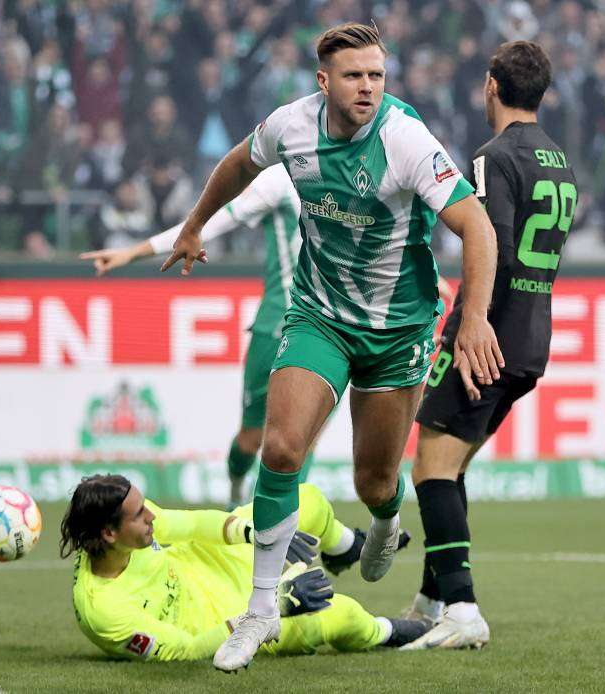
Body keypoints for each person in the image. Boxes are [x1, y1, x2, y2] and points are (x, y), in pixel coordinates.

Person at [158, 22, 503, 672]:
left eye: (377, 75)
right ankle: (260, 609)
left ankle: (383, 520)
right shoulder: (290, 127)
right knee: (282, 445)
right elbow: (237, 163)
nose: (368, 87)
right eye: (354, 76)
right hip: (319, 316)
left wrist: (476, 317)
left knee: (372, 479)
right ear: (324, 83)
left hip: (398, 329)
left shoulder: (405, 139)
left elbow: (475, 223)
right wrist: (195, 225)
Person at [82, 166, 457, 510]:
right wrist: (133, 252)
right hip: (279, 321)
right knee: (250, 438)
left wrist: (422, 276)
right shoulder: (283, 177)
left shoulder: (367, 170)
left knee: (304, 437)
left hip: (333, 326)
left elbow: (385, 240)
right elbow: (212, 221)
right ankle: (234, 495)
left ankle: (287, 535)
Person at [404, 41, 578, 650]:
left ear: (490, 86)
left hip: (488, 334)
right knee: (452, 467)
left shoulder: (493, 156)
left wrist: (470, 323)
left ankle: (461, 607)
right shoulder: (560, 162)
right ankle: (432, 598)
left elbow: (491, 243)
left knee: (431, 465)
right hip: (532, 338)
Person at [61, 475, 430, 662]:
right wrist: (279, 603)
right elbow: (187, 651)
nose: (152, 515)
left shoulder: (129, 524)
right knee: (342, 615)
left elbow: (189, 526)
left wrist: (254, 534)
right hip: (222, 620)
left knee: (305, 501)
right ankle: (388, 631)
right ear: (109, 533)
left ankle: (345, 549)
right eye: (140, 515)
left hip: (208, 564)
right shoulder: (104, 612)